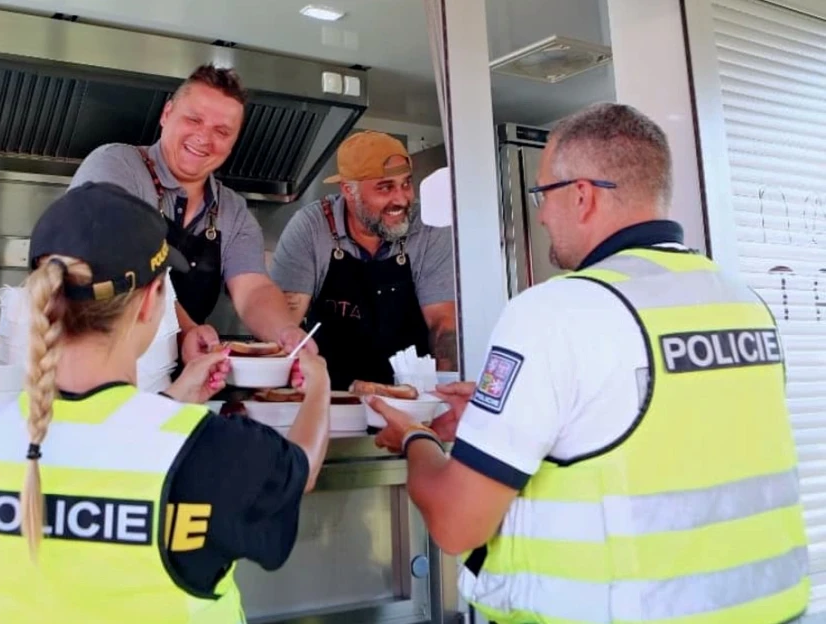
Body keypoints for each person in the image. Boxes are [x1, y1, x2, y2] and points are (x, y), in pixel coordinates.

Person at [369, 103, 809, 624]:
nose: (542, 213)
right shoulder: (741, 301)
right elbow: (665, 434)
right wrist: (501, 419)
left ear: (581, 195)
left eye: (542, 194)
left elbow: (455, 523)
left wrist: (415, 436)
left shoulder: (556, 311)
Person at [0, 182, 333, 623]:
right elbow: (301, 471)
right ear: (151, 304)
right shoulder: (212, 452)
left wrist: (177, 397)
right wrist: (318, 386)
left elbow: (96, 449)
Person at [69, 64, 313, 364]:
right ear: (166, 114)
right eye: (194, 119)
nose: (204, 138)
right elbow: (119, 261)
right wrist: (186, 331)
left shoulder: (232, 210)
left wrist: (286, 332)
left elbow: (254, 289)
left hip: (181, 378)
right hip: (98, 369)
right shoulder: (116, 166)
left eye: (222, 131)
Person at [270, 130, 457, 390]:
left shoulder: (426, 229)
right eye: (385, 187)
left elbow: (443, 324)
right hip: (328, 398)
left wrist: (442, 396)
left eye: (406, 183)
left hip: (408, 399)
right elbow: (284, 321)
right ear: (349, 190)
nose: (402, 199)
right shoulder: (312, 228)